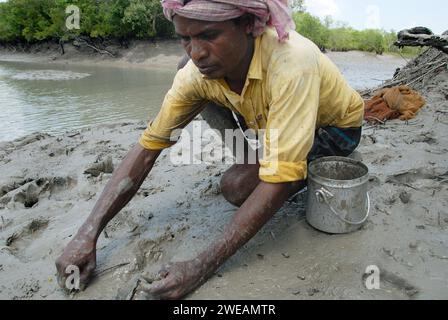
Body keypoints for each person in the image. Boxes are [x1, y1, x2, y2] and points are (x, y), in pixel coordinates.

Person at [56, 0, 364, 300]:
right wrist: (88, 234)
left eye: (209, 35)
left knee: (237, 187)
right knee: (188, 74)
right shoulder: (197, 70)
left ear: (247, 25)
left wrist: (199, 266)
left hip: (333, 129)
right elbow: (149, 146)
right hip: (271, 120)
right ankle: (258, 159)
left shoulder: (291, 61)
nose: (197, 52)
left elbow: (279, 179)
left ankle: (283, 166)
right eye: (185, 38)